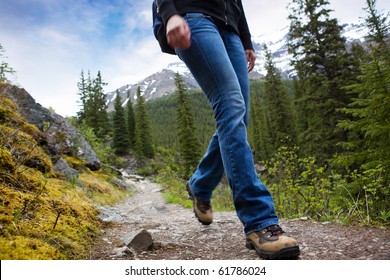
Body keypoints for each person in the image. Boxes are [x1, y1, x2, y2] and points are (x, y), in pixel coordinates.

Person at [157, 0, 300, 260]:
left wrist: (246, 40)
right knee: (230, 104)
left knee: (237, 115)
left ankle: (200, 184)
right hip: (193, 17)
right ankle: (259, 221)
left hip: (230, 29)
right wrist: (170, 14)